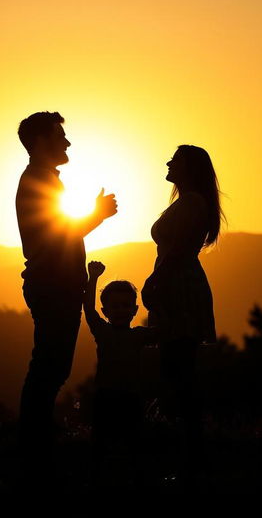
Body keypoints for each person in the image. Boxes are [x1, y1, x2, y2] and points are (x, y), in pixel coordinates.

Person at [15, 111, 117, 466]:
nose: (67, 142)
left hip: (56, 285)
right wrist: (97, 214)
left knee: (51, 368)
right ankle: (33, 453)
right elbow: (57, 238)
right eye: (60, 136)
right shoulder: (38, 182)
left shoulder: (41, 180)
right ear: (41, 142)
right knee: (49, 369)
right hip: (54, 287)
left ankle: (34, 449)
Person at [141, 144, 224, 476]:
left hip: (179, 286)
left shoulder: (191, 204)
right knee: (177, 371)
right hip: (178, 284)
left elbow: (177, 249)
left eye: (175, 159)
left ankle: (192, 458)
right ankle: (190, 455)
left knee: (179, 372)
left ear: (188, 167)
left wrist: (155, 279)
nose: (168, 163)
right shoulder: (189, 202)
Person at [83, 260, 155, 481]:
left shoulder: (140, 335)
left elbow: (165, 328)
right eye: (115, 307)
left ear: (134, 309)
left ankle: (135, 477)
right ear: (106, 311)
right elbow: (88, 307)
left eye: (126, 306)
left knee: (135, 441)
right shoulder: (102, 331)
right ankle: (99, 478)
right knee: (101, 443)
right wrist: (93, 278)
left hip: (132, 397)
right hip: (105, 396)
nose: (121, 310)